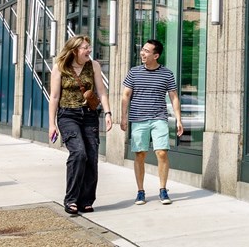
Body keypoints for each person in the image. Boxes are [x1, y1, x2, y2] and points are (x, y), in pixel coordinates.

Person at [48, 35, 112, 216]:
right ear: (75, 50)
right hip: (68, 115)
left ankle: (86, 200)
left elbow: (102, 91)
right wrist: (52, 124)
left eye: (89, 47)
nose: (89, 50)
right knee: (78, 153)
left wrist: (108, 113)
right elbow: (54, 97)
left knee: (91, 157)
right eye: (85, 48)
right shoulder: (60, 67)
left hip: (89, 116)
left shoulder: (94, 66)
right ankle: (71, 199)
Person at [120, 39, 183, 205]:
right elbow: (126, 95)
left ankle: (163, 189)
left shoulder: (167, 74)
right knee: (140, 154)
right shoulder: (134, 72)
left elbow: (174, 96)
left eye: (146, 51)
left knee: (162, 152)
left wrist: (178, 119)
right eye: (142, 50)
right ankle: (140, 191)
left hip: (159, 118)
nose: (142, 53)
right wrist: (123, 117)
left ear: (156, 56)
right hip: (138, 118)